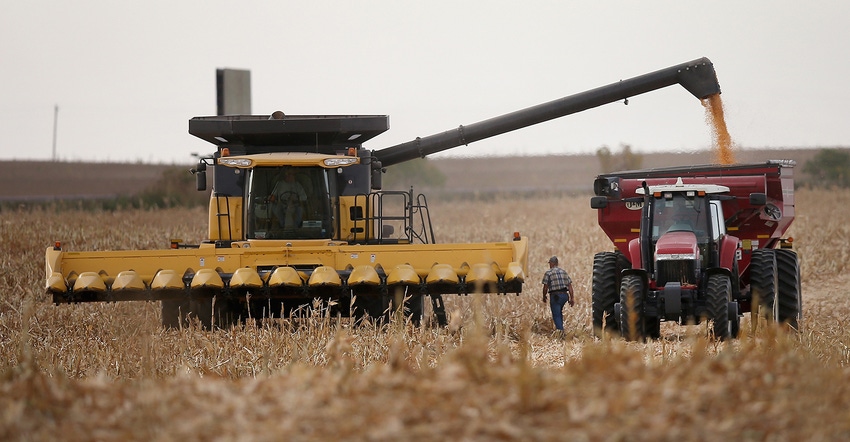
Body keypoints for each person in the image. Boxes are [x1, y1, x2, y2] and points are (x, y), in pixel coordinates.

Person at [541, 255, 574, 336]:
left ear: (551, 263)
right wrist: (572, 298)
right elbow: (570, 286)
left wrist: (544, 296)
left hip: (555, 296)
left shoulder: (548, 273)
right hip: (564, 296)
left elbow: (545, 287)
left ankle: (561, 332)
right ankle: (561, 328)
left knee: (556, 314)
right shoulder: (563, 272)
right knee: (559, 312)